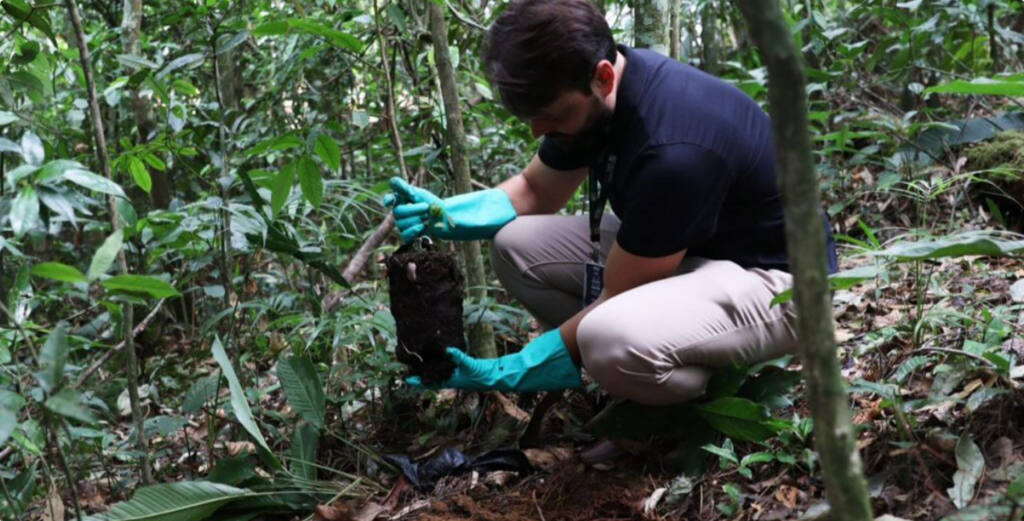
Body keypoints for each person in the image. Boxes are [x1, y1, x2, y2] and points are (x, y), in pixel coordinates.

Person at [384, 0, 837, 410]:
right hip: (696, 252)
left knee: (605, 339)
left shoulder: (672, 152)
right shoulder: (600, 96)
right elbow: (535, 190)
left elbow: (614, 295)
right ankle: (651, 359)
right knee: (514, 244)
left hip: (778, 281)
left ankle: (699, 395)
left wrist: (511, 370)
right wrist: (445, 214)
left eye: (552, 115)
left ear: (602, 76)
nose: (538, 130)